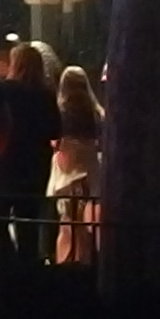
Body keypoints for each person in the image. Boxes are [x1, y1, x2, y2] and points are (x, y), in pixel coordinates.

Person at [0, 36, 64, 260]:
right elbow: (55, 131)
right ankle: (28, 269)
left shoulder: (4, 90)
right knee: (29, 223)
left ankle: (5, 259)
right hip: (36, 166)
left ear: (16, 63)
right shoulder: (46, 95)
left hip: (6, 162)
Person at [51, 62, 106, 268]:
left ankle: (66, 262)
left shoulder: (59, 113)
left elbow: (55, 141)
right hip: (90, 173)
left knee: (67, 223)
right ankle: (86, 262)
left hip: (66, 171)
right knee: (88, 225)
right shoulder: (97, 114)